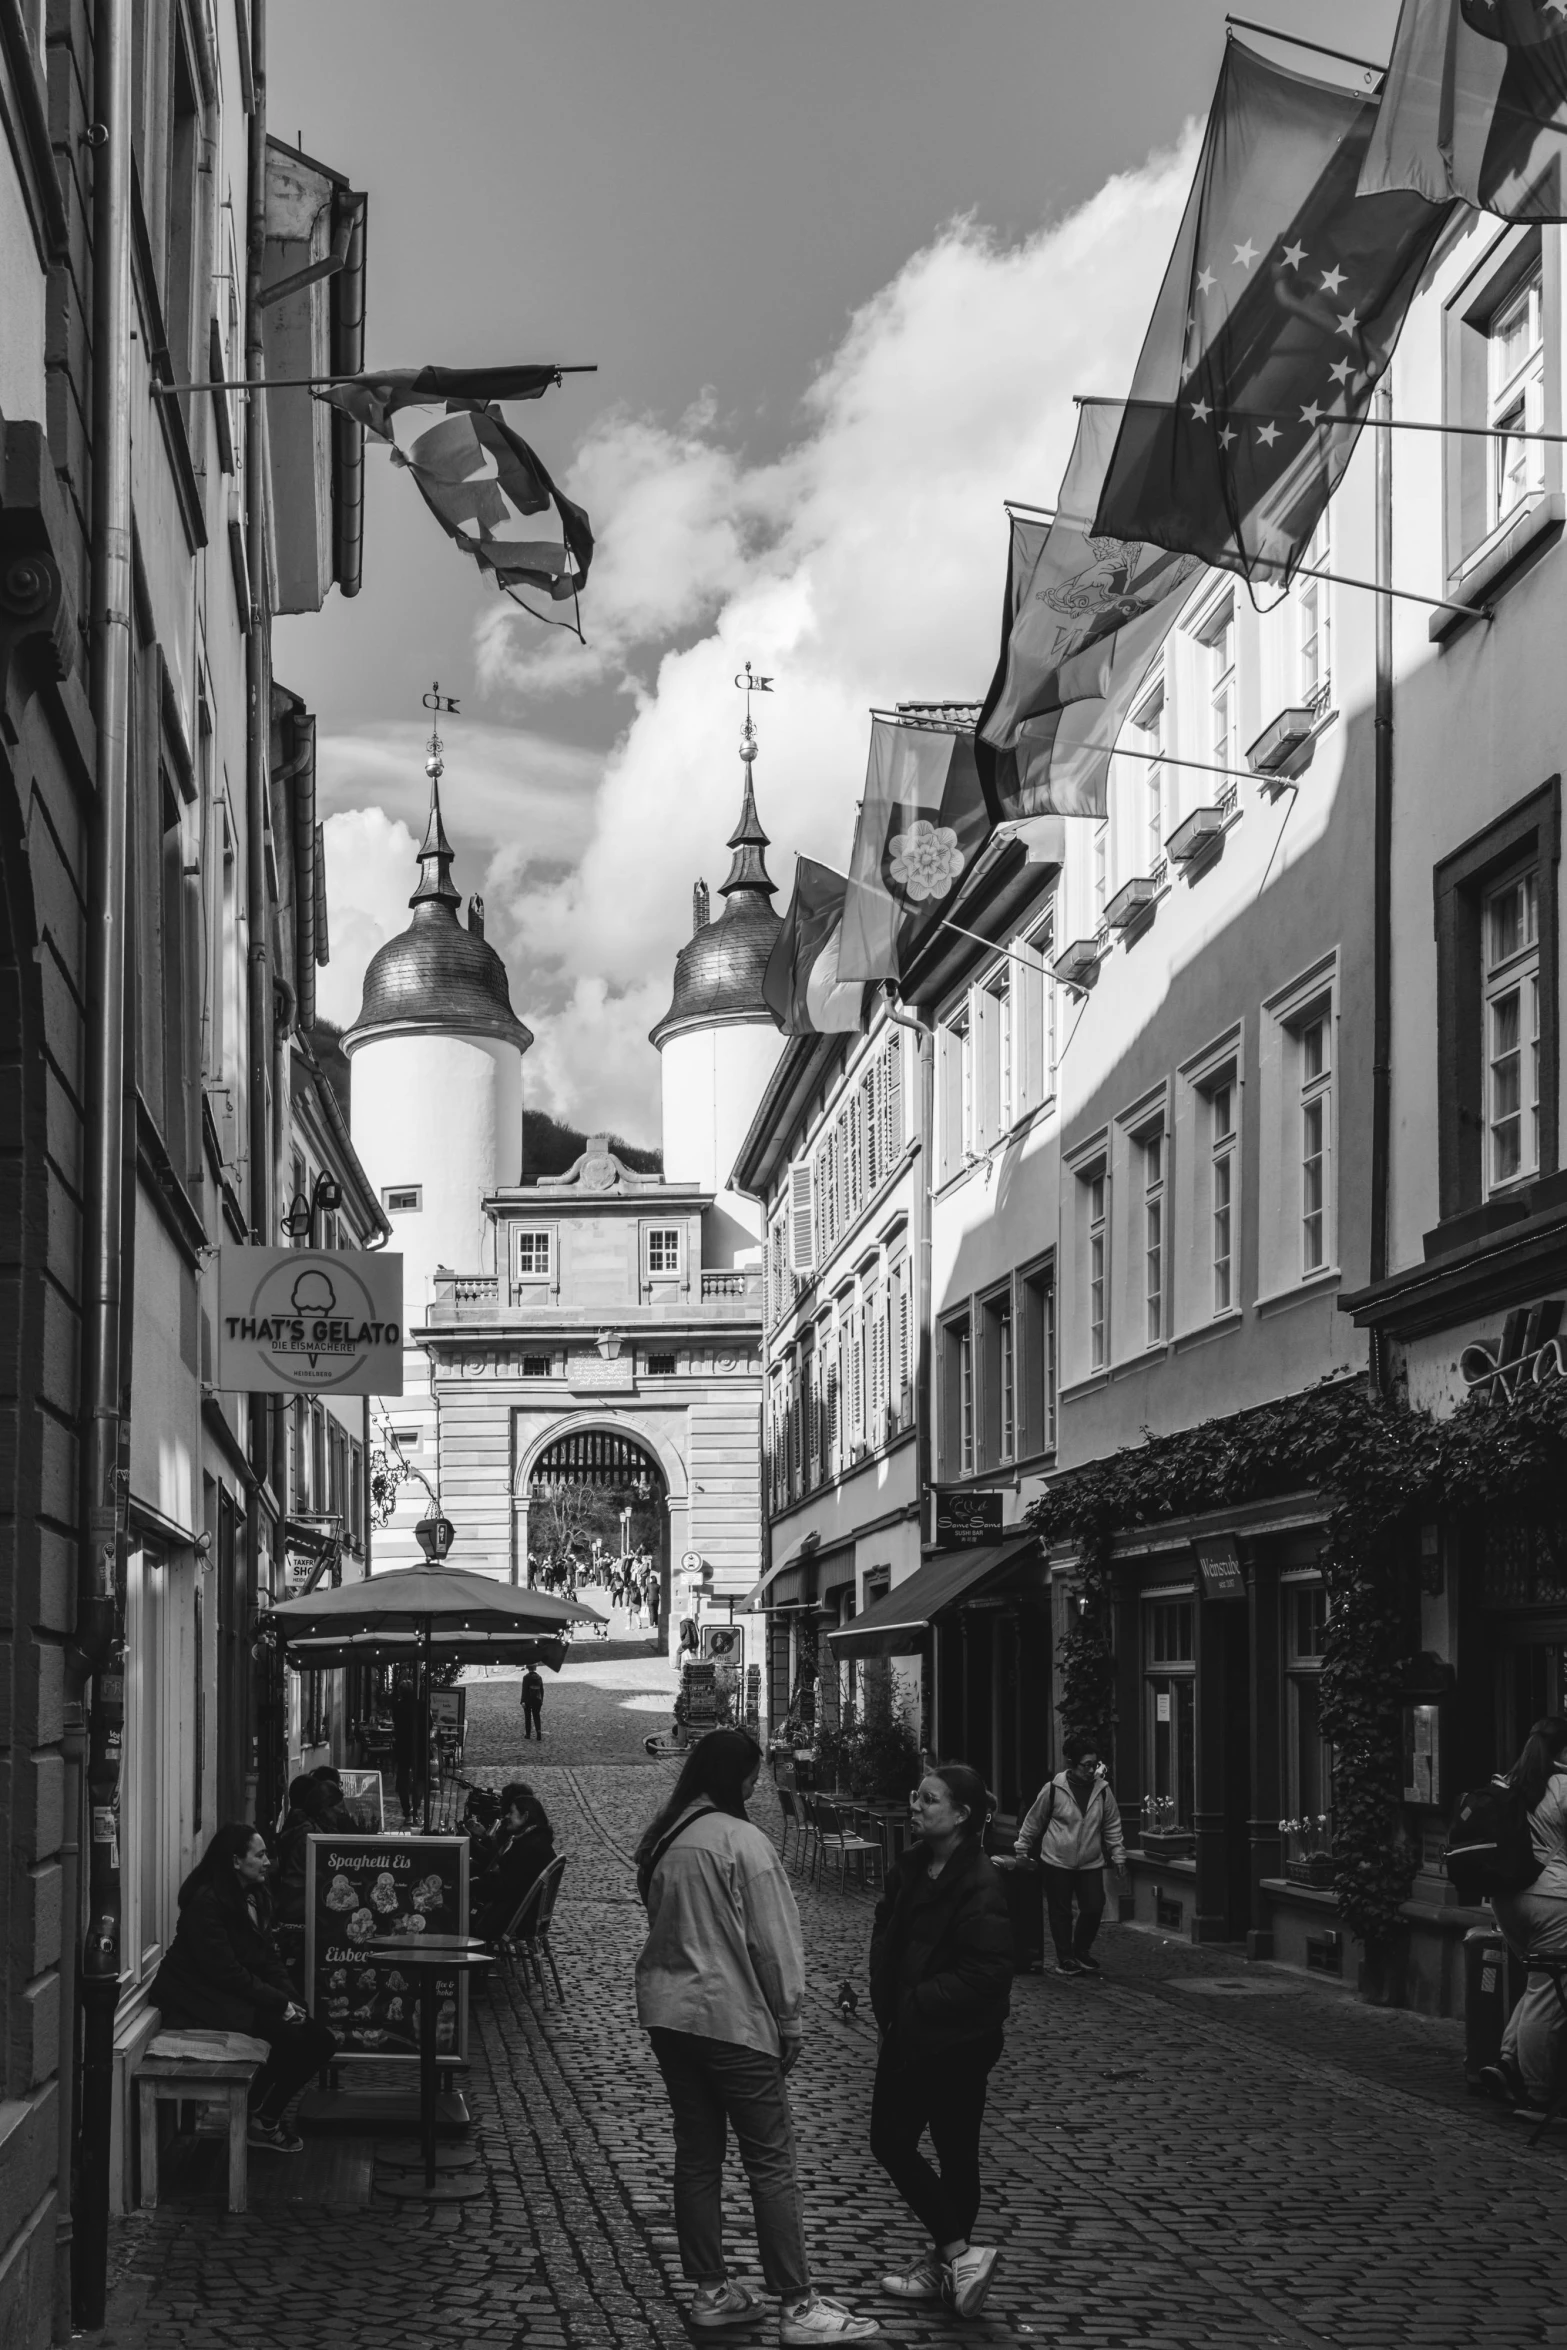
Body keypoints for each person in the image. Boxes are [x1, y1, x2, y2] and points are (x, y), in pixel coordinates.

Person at [634, 1729, 878, 2342]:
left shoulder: (665, 1839)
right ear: (736, 1779)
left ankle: (711, 2289)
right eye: (752, 1777)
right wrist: (789, 2018)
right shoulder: (744, 1842)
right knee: (770, 2159)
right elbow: (774, 1941)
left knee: (697, 2154)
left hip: (670, 2017)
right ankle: (798, 2303)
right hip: (732, 2019)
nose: (756, 1787)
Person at [868, 1762, 1013, 2318]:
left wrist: (915, 2001)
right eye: (916, 1796)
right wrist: (889, 1999)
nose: (916, 1806)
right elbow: (888, 1934)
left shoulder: (981, 1882)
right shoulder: (908, 1868)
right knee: (901, 2143)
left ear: (961, 1815)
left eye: (929, 1799)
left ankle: (949, 2255)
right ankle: (956, 2257)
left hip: (956, 2040)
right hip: (908, 2034)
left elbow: (988, 1972)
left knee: (938, 2150)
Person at [150, 1823, 338, 2154]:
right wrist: (279, 2004)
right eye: (260, 1855)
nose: (268, 1862)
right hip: (197, 2001)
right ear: (236, 1861)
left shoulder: (253, 1897)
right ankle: (263, 2119)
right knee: (298, 2039)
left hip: (230, 1995)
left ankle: (260, 2112)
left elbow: (268, 1958)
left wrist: (294, 2001)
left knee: (317, 2038)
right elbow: (225, 1972)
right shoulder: (206, 1904)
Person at [1489, 1714, 1567, 2110]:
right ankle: (1537, 2095)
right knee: (1550, 1994)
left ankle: (1506, 2062)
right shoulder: (1563, 1786)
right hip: (1554, 1901)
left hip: (1507, 1901)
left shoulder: (1510, 1784)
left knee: (1539, 1983)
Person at [1014, 1737, 1128, 1976]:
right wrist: (1022, 1847)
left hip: (1090, 1861)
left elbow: (1112, 1825)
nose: (1091, 1770)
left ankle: (1081, 1950)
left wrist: (1119, 1856)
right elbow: (1034, 1820)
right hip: (1056, 1859)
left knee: (1094, 1906)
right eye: (1085, 1765)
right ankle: (1066, 1957)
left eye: (1094, 1765)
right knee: (1060, 1911)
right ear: (1071, 1764)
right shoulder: (1054, 1789)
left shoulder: (1103, 1791)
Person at [473, 1784, 556, 1942]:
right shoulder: (536, 1840)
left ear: (525, 1816)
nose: (506, 1816)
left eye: (512, 1813)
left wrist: (474, 1884)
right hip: (522, 1912)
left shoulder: (527, 1847)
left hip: (513, 1917)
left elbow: (506, 1885)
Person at [520, 1661, 545, 1742]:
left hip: (528, 1699)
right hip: (537, 1699)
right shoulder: (539, 1677)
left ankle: (528, 1734)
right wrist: (541, 1700)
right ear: (535, 1668)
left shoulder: (526, 1677)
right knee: (536, 1716)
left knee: (528, 1717)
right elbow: (541, 1690)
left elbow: (524, 1690)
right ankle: (538, 1733)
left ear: (527, 1668)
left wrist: (522, 1701)